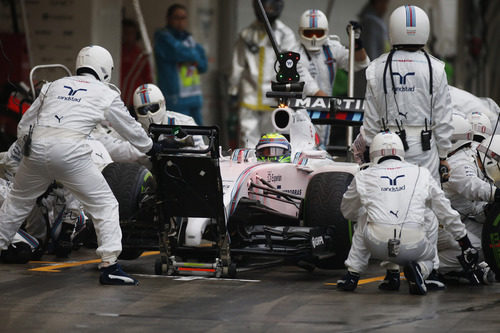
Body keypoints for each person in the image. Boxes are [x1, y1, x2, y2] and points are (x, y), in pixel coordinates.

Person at [0, 45, 165, 285]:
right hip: (70, 151)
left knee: (16, 204)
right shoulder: (104, 92)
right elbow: (129, 128)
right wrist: (151, 147)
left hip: (36, 148)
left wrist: (29, 151)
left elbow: (24, 126)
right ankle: (110, 265)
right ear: (105, 70)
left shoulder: (52, 86)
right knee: (105, 204)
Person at [337, 132, 478, 295]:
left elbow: (347, 211)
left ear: (372, 152)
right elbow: (445, 210)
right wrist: (464, 242)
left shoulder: (363, 175)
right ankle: (425, 271)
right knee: (431, 214)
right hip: (414, 246)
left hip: (377, 246)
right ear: (401, 151)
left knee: (365, 216)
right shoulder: (422, 173)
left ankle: (354, 275)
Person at [363, 5, 453, 182]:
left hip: (386, 145)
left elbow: (371, 119)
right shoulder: (436, 68)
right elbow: (443, 117)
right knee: (425, 199)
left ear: (393, 30)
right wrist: (444, 155)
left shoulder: (375, 69)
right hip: (425, 149)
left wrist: (370, 147)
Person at [228, 0, 320, 147]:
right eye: (265, 6)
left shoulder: (285, 34)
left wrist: (309, 90)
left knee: (272, 143)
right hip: (249, 98)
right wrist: (232, 91)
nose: (268, 9)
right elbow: (237, 64)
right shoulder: (246, 35)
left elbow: (296, 66)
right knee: (248, 142)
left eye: (271, 6)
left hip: (274, 98)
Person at [297, 9, 370, 146]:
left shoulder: (332, 47)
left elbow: (360, 62)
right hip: (301, 112)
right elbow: (313, 90)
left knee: (322, 149)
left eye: (318, 33)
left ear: (326, 32)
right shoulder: (294, 53)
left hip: (326, 112)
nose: (313, 37)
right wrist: (339, 107)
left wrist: (358, 43)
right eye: (309, 33)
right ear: (301, 32)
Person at [438, 115, 496, 284]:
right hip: (440, 223)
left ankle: (457, 267)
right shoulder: (459, 163)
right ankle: (429, 265)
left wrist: (486, 210)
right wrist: (496, 194)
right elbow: (472, 186)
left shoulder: (468, 157)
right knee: (482, 244)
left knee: (487, 236)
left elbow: (471, 208)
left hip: (454, 220)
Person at [154, 3, 207, 125]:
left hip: (194, 96)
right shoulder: (163, 37)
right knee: (179, 137)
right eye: (176, 17)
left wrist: (190, 55)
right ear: (168, 19)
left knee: (200, 137)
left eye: (183, 18)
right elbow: (179, 52)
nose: (180, 22)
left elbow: (203, 65)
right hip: (176, 98)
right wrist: (192, 56)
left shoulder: (189, 38)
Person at [132, 83, 205, 149]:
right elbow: (126, 152)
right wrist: (155, 147)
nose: (149, 114)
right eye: (143, 110)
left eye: (153, 107)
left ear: (163, 103)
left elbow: (200, 152)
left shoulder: (183, 122)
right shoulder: (133, 129)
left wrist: (181, 145)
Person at [121, 19, 153, 109]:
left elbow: (148, 77)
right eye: (126, 33)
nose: (128, 36)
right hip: (120, 95)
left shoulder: (141, 55)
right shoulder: (118, 53)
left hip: (135, 98)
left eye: (131, 33)